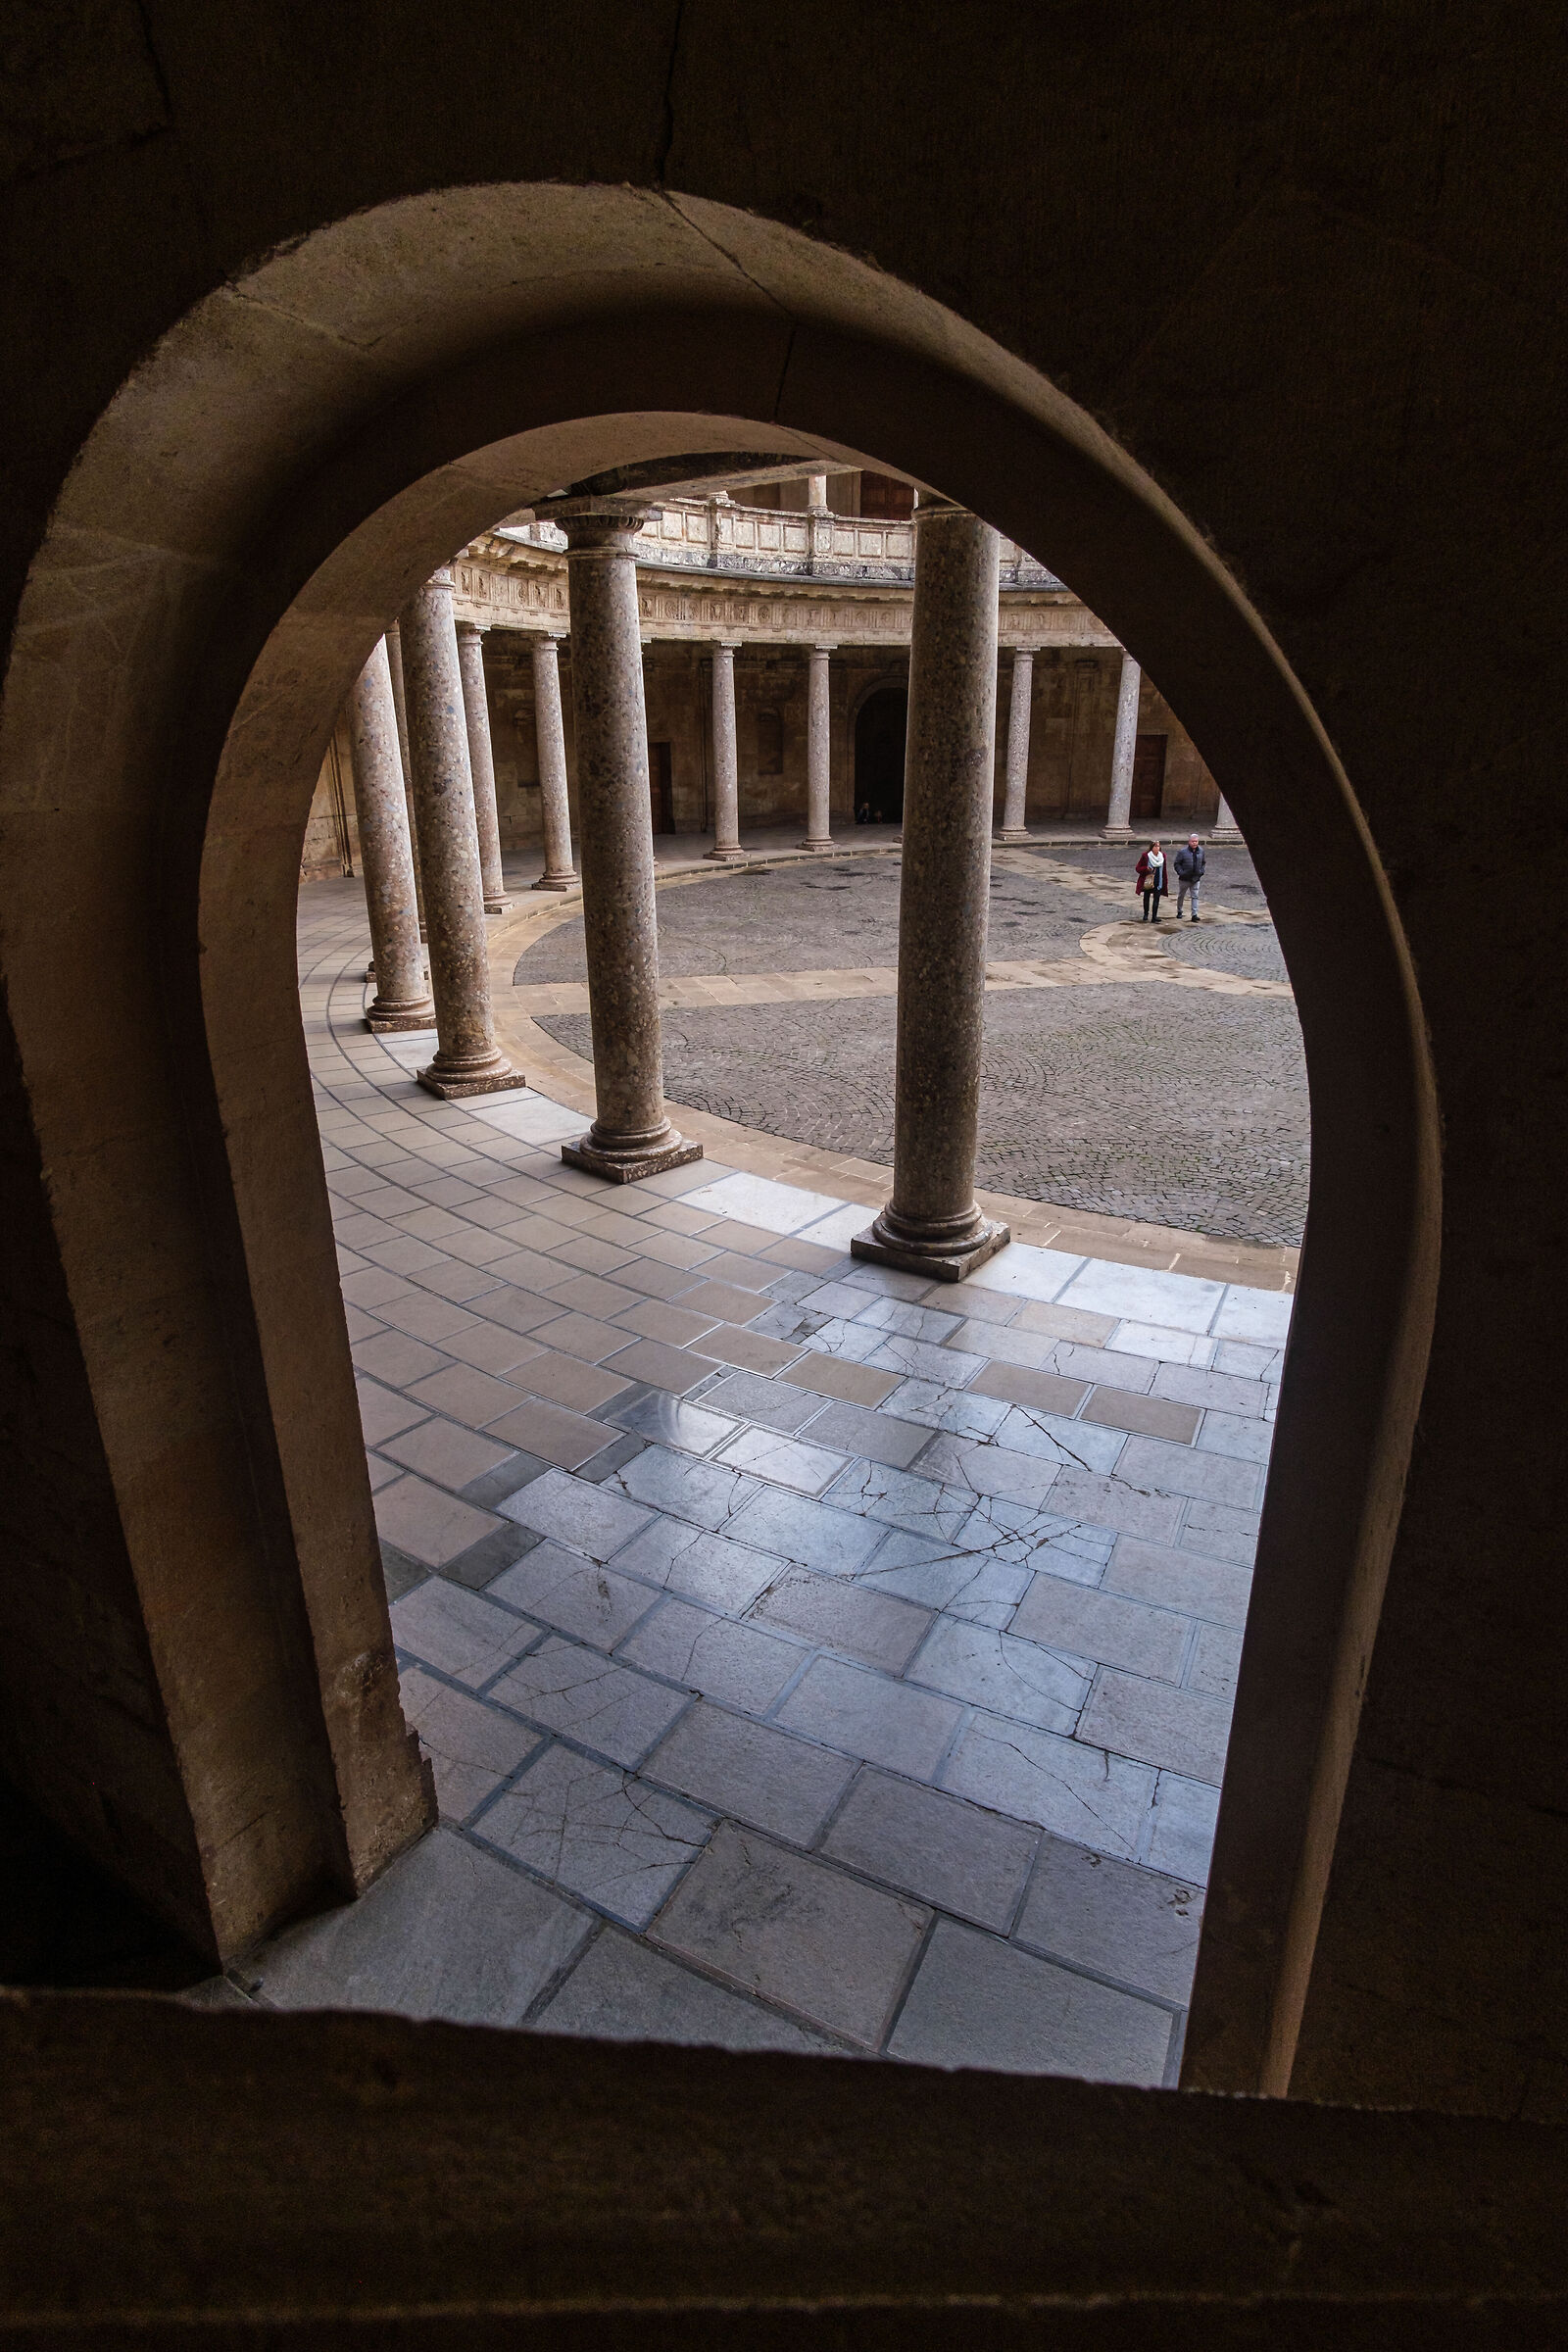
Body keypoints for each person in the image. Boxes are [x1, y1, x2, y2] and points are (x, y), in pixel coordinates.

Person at [1174, 832, 1205, 921]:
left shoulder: (1201, 851)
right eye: (1193, 841)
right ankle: (1179, 911)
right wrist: (1181, 872)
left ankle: (1194, 914)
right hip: (1184, 878)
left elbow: (1203, 863)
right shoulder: (1182, 852)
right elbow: (1177, 863)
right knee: (1181, 895)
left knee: (1195, 896)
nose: (1194, 843)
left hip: (1196, 878)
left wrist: (1201, 871)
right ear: (1189, 842)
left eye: (1196, 841)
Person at [1135, 839, 1167, 921]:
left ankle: (1154, 916)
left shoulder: (1162, 856)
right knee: (1146, 897)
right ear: (1152, 847)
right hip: (1148, 880)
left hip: (1158, 880)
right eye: (1155, 846)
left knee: (1156, 899)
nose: (1157, 848)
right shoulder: (1146, 856)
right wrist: (1146, 868)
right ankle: (1146, 914)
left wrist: (1164, 881)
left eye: (1158, 846)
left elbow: (1164, 870)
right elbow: (1138, 868)